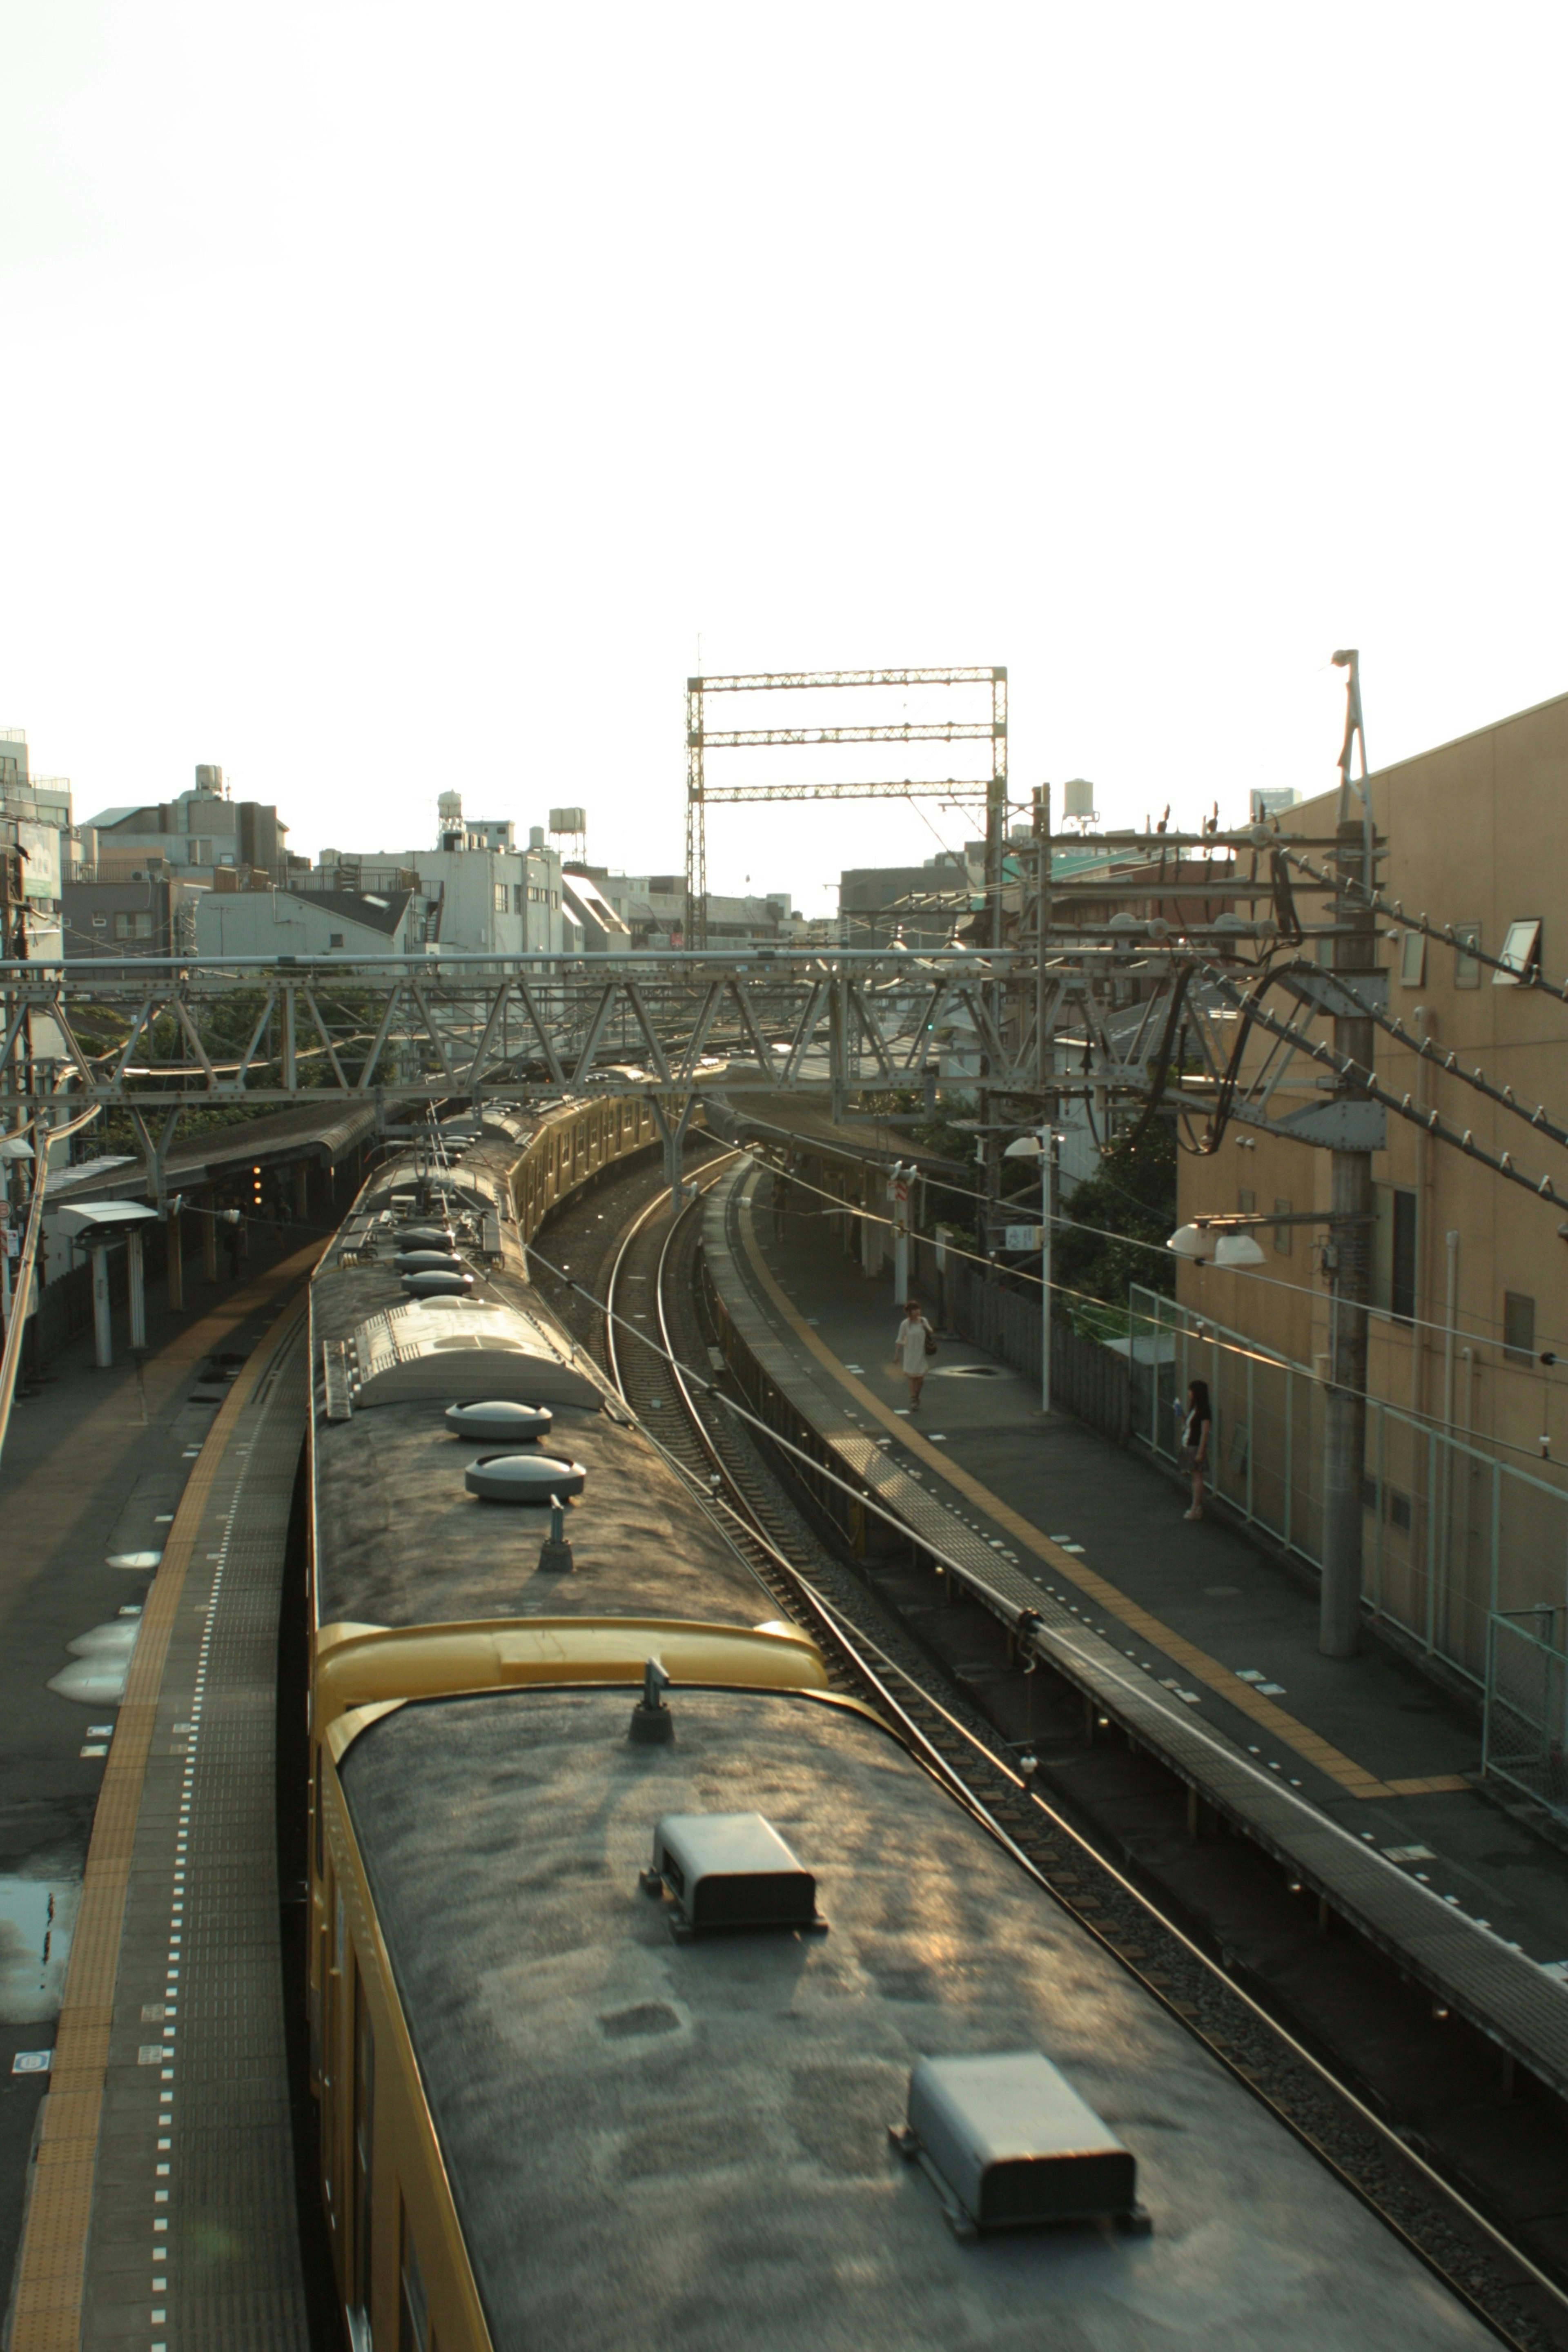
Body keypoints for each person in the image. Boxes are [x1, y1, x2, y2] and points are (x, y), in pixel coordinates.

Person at [1182, 1378, 1212, 1520]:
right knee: (1195, 1477)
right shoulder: (1195, 1408)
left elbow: (1205, 1433)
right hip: (1189, 1444)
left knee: (1197, 1478)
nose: (1189, 1393)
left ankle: (1196, 1508)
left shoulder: (1204, 1411)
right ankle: (1197, 1507)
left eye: (1191, 1390)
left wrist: (1201, 1452)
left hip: (1194, 1446)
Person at [893, 1299, 932, 1411]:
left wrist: (925, 1326)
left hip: (921, 1353)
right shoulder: (905, 1324)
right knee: (912, 1377)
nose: (917, 1312)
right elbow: (900, 1339)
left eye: (918, 1309)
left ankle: (916, 1396)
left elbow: (931, 1331)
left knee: (920, 1378)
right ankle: (913, 1398)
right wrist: (897, 1355)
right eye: (914, 1310)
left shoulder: (923, 1321)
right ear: (909, 1312)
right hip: (910, 1353)